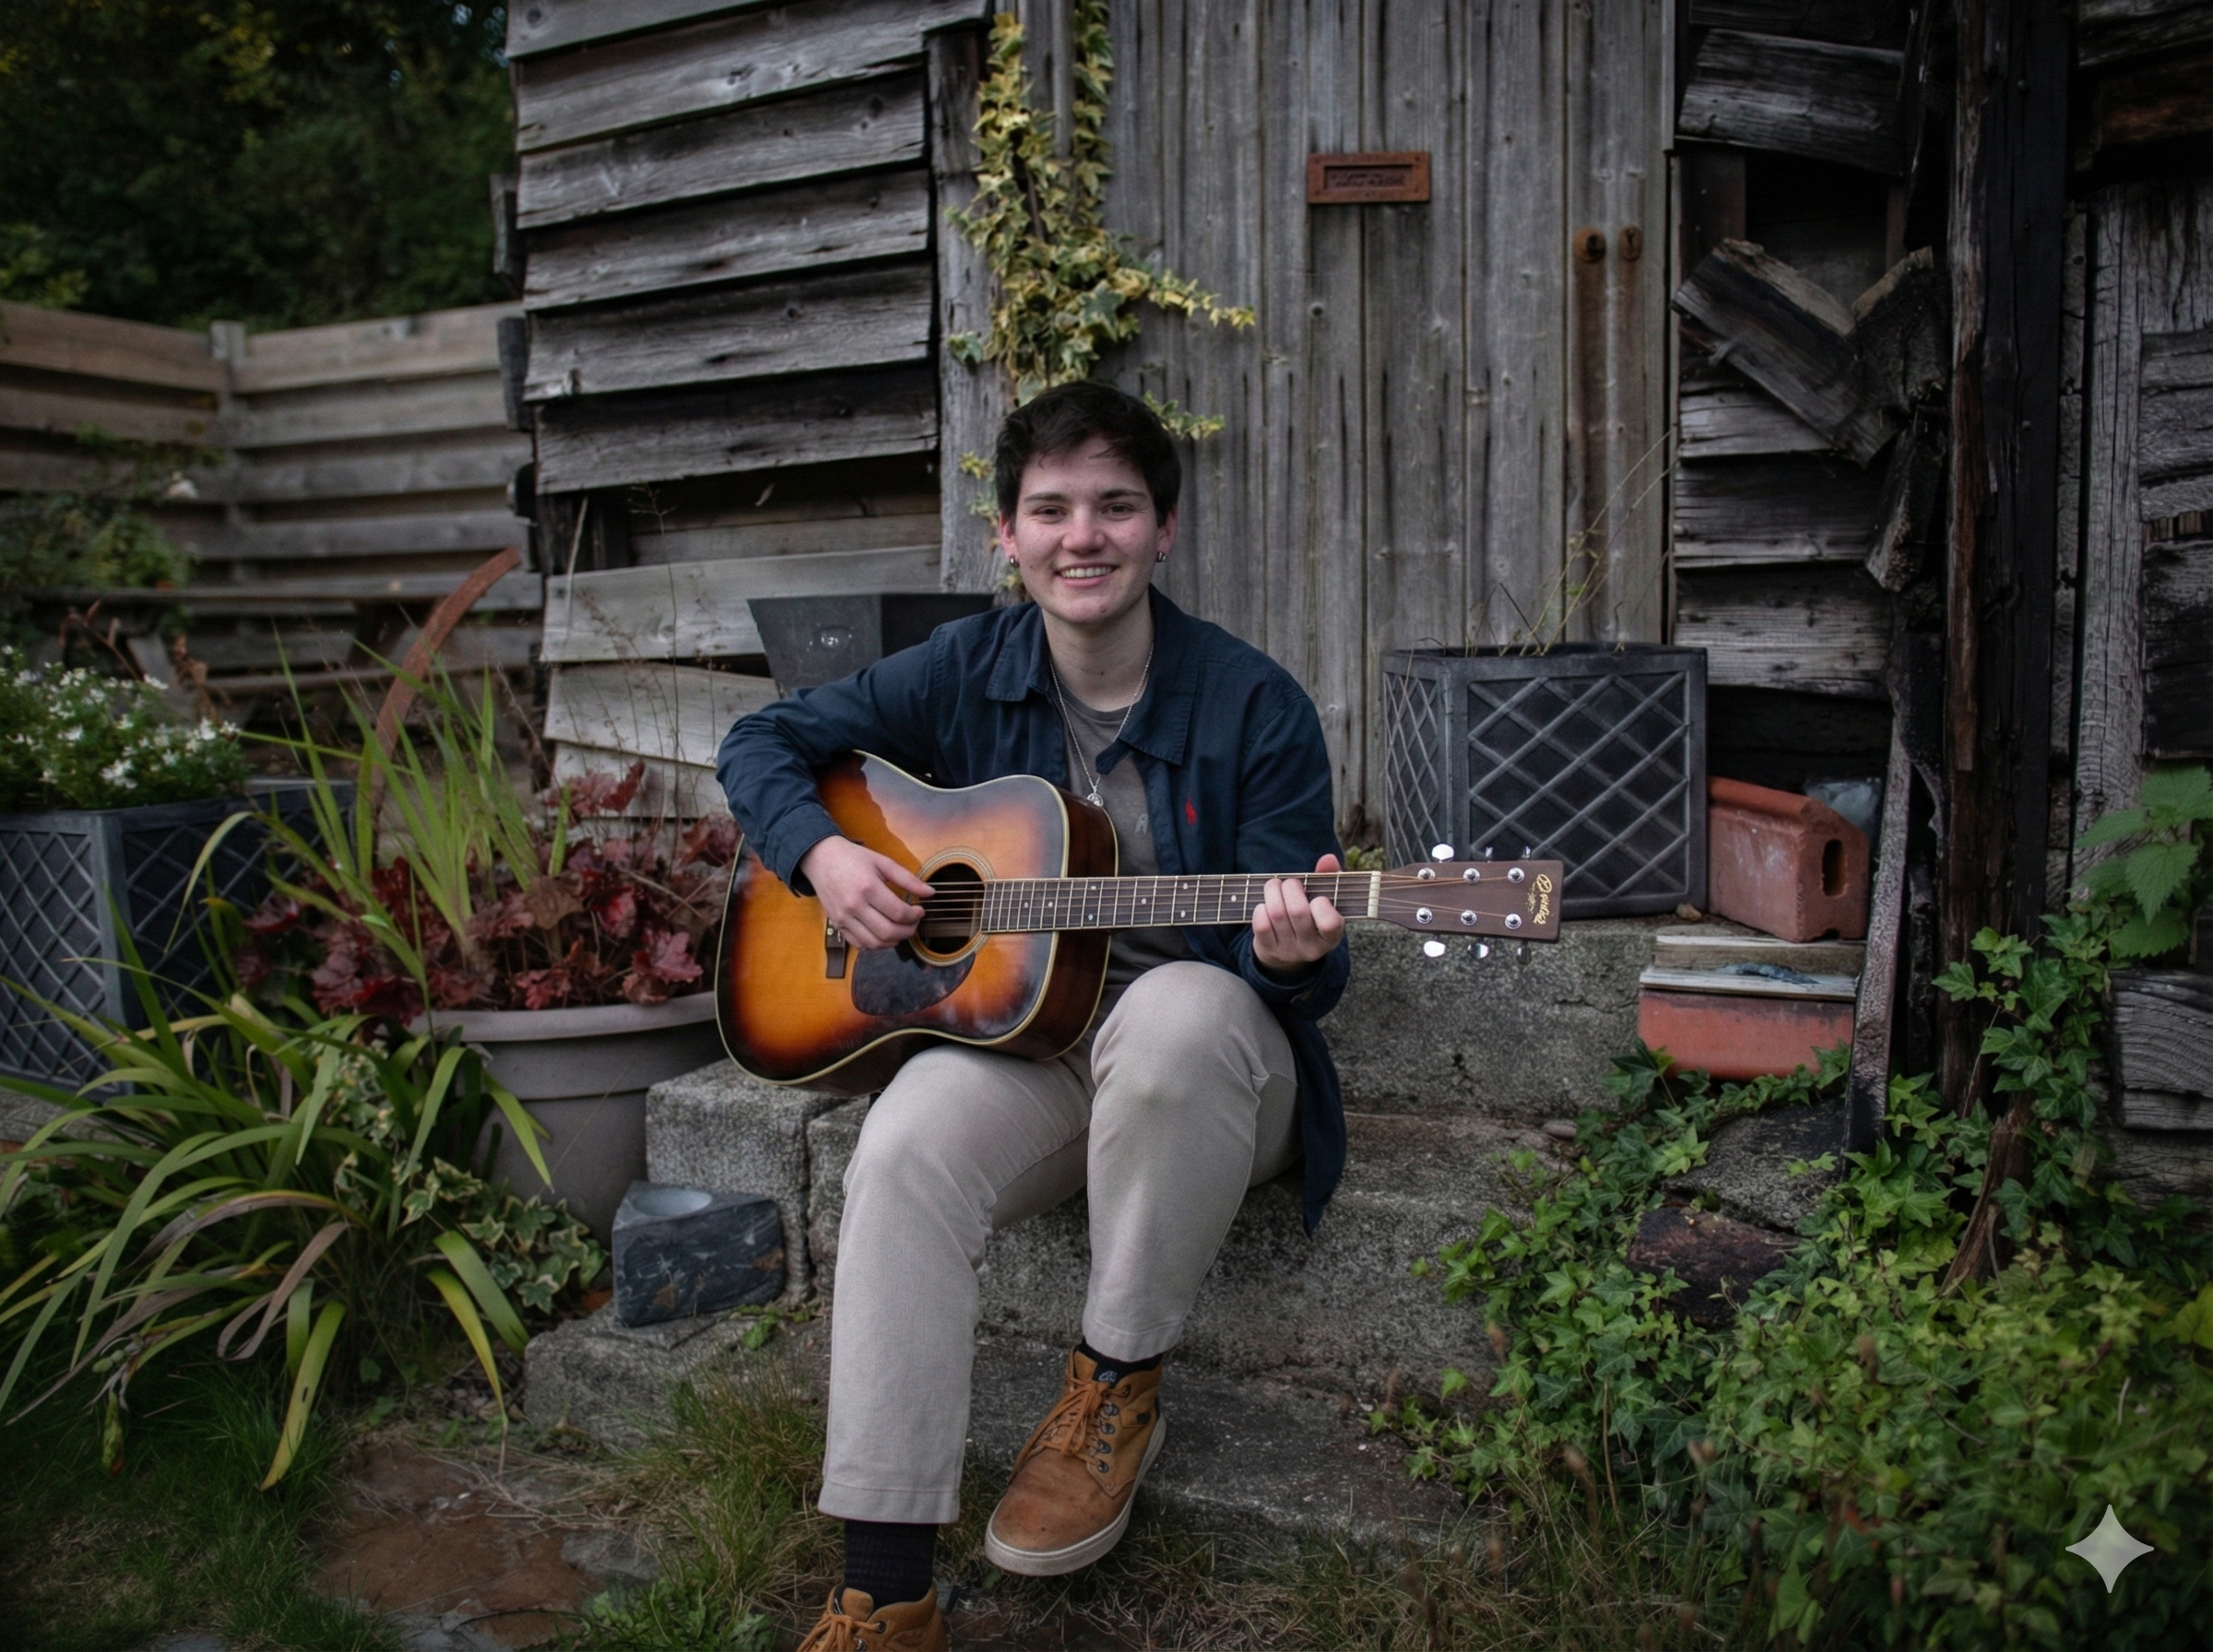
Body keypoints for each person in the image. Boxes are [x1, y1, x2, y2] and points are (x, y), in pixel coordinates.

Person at [717, 382, 1351, 1652]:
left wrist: (1290, 953)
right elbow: (760, 744)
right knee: (899, 1155)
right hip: (1030, 1038)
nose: (1084, 537)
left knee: (1181, 1009)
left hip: (1215, 1068)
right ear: (1006, 536)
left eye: (1116, 506)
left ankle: (1112, 1385)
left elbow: (1302, 982)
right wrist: (824, 861)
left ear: (1164, 529)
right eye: (1050, 510)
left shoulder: (1254, 704)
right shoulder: (967, 664)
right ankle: (886, 1588)